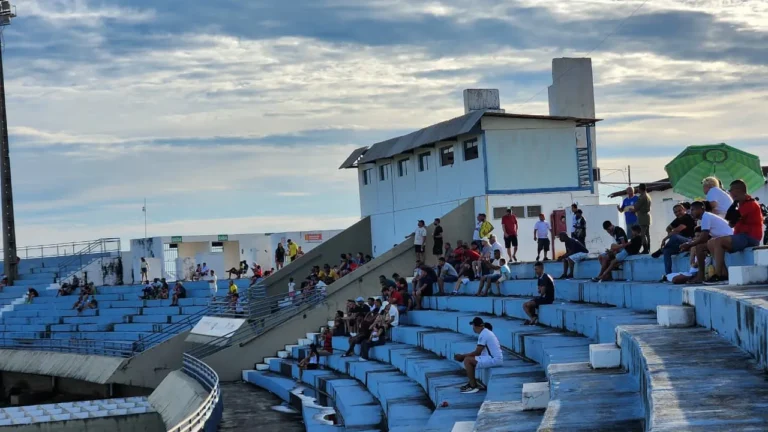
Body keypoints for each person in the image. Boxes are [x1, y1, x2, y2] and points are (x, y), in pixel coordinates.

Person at [707, 179, 763, 282]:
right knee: (711, 243)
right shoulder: (739, 204)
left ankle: (718, 273)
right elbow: (730, 221)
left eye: (731, 190)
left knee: (719, 241)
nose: (730, 193)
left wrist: (735, 204)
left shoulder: (750, 203)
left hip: (750, 237)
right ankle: (723, 273)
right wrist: (735, 203)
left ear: (738, 190)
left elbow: (733, 218)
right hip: (740, 236)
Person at [680, 201, 733, 284]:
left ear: (702, 209)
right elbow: (703, 237)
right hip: (721, 241)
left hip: (729, 240)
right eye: (690, 210)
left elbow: (703, 238)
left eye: (693, 210)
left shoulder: (706, 216)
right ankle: (702, 276)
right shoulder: (705, 218)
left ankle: (705, 275)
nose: (691, 212)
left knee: (700, 246)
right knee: (700, 246)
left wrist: (689, 244)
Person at [453, 317, 503, 394]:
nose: (473, 328)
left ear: (476, 326)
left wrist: (462, 357)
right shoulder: (485, 332)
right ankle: (472, 383)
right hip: (493, 358)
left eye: (473, 326)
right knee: (469, 358)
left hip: (494, 359)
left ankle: (473, 386)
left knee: (467, 360)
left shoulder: (484, 334)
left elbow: (477, 352)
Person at [654, 204, 696, 278]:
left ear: (684, 210)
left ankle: (661, 250)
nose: (678, 213)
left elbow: (679, 229)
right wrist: (671, 233)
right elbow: (668, 228)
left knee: (675, 236)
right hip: (680, 243)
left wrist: (665, 238)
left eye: (680, 210)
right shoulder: (677, 220)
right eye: (675, 212)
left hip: (690, 241)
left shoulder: (687, 217)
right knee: (667, 251)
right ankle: (668, 275)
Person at [635, 183, 652, 254]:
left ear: (640, 188)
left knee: (642, 234)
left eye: (638, 188)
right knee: (647, 234)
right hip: (647, 216)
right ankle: (648, 248)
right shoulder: (648, 195)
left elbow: (636, 207)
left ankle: (645, 249)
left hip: (643, 217)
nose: (638, 189)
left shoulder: (642, 197)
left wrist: (632, 209)